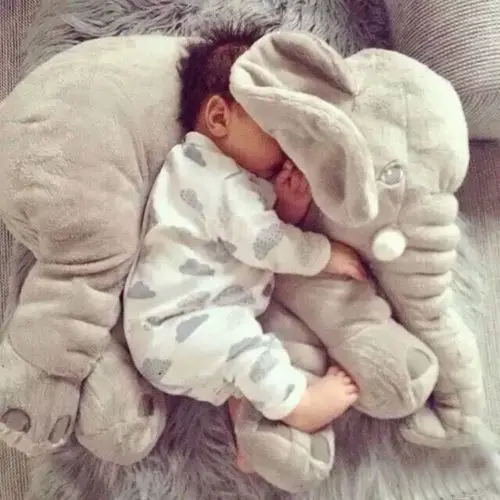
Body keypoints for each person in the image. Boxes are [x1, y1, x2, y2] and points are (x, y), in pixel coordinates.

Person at [123, 28, 364, 470]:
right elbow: (263, 244)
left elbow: (249, 239)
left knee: (242, 356)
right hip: (175, 324)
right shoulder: (208, 174)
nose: (287, 147)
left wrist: (287, 206)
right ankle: (299, 405)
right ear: (219, 117)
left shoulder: (233, 177)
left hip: (197, 325)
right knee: (243, 347)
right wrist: (324, 254)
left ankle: (249, 436)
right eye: (276, 130)